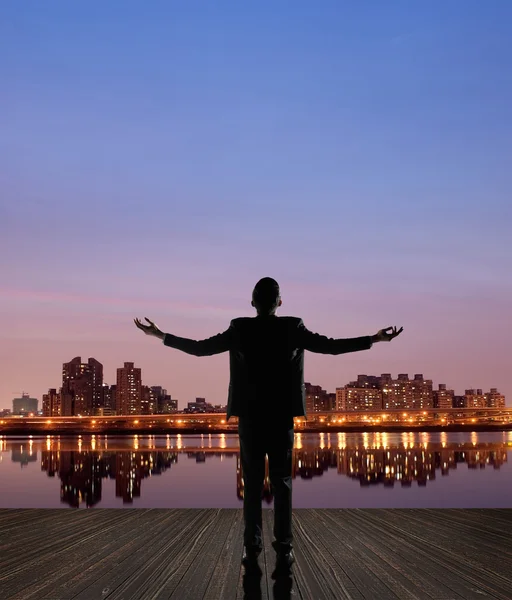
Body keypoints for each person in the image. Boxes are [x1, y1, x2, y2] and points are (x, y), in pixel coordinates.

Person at [134, 277, 403, 576]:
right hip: (280, 417)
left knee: (252, 485)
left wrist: (159, 335)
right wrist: (375, 339)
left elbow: (200, 349)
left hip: (250, 418)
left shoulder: (240, 328)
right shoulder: (292, 328)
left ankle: (252, 550)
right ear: (279, 302)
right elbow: (332, 348)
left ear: (252, 302)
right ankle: (284, 550)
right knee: (282, 484)